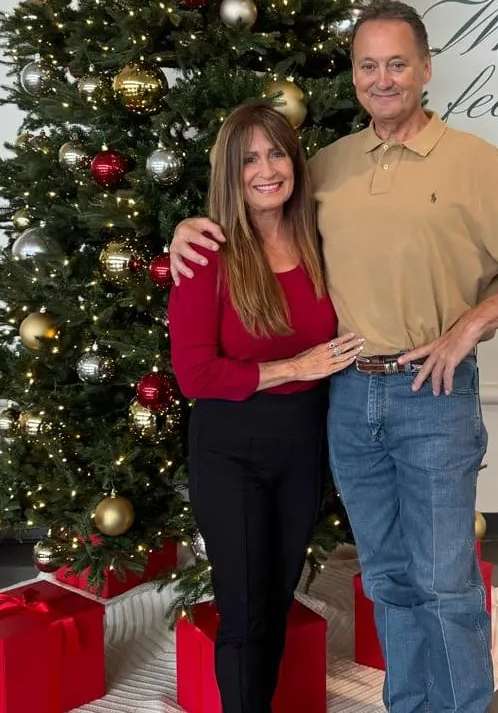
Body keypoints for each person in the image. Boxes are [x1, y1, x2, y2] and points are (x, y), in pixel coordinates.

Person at [170, 0, 498, 713]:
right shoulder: (326, 166)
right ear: (353, 75)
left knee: (445, 582)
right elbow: (257, 217)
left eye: (397, 63)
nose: (382, 78)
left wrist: (468, 329)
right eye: (368, 65)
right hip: (350, 401)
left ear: (425, 69)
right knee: (386, 577)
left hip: (431, 391)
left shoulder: (472, 162)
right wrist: (187, 229)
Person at [167, 99, 365, 713]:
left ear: (295, 162)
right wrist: (294, 368)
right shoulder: (208, 253)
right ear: (230, 172)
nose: (265, 169)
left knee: (275, 602)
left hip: (302, 446)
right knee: (245, 611)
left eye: (276, 152)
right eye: (248, 158)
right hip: (233, 448)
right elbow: (194, 373)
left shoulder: (319, 239)